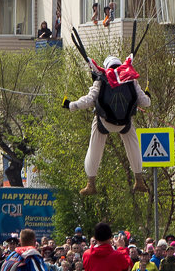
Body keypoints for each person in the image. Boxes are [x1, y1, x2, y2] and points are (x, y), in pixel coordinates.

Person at [65, 55, 152, 196]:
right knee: (134, 147)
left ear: (107, 67)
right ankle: (139, 179)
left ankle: (91, 183)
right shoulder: (130, 79)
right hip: (125, 123)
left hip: (104, 122)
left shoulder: (102, 79)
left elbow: (88, 100)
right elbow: (145, 103)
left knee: (94, 150)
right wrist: (147, 96)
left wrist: (71, 105)